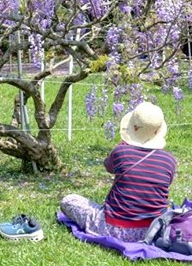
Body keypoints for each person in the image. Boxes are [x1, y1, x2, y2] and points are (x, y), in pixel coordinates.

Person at [60, 102, 177, 242]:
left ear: (133, 127)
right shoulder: (169, 160)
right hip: (152, 232)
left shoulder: (121, 152)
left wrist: (121, 145)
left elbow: (108, 166)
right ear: (158, 131)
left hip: (112, 229)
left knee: (69, 200)